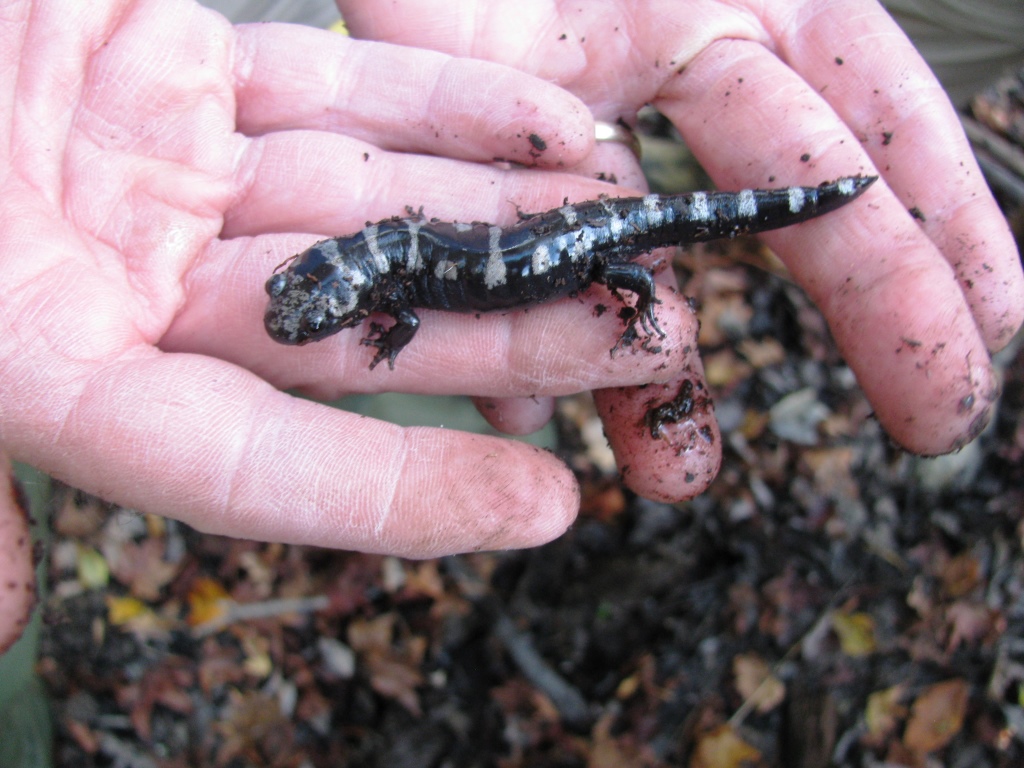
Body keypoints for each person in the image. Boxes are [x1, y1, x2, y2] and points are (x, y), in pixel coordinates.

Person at [1, 0, 1021, 654]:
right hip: (570, 232)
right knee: (631, 236)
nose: (305, 313)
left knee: (662, 239)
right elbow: (392, 259)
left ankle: (804, 196)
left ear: (344, 279)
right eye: (310, 306)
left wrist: (605, 291)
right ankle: (735, 210)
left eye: (311, 304)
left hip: (593, 239)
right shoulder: (378, 253)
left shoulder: (384, 275)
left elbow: (395, 284)